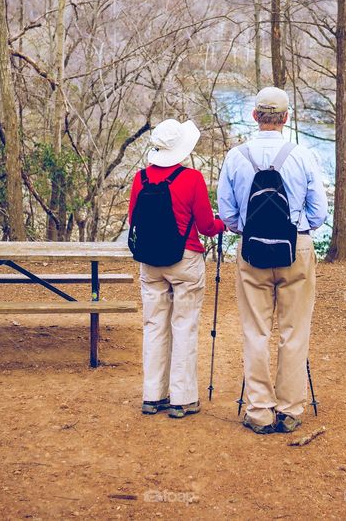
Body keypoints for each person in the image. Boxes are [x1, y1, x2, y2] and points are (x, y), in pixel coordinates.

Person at [218, 87, 328, 434]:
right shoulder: (303, 155)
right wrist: (297, 228)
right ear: (286, 118)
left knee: (256, 331)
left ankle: (259, 410)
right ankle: (291, 409)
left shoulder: (236, 157)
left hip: (251, 251)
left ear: (254, 116)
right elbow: (319, 212)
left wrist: (248, 229)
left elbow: (227, 214)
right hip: (296, 248)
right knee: (294, 330)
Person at [128, 118, 225, 419]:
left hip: (150, 262)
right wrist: (224, 224)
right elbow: (207, 227)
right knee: (184, 326)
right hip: (184, 260)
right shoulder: (192, 178)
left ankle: (152, 396)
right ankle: (182, 400)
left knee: (154, 326)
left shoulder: (140, 179)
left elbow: (134, 221)